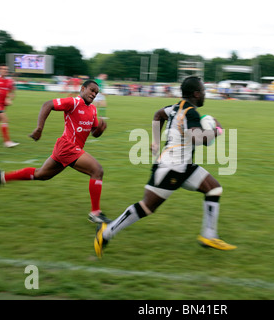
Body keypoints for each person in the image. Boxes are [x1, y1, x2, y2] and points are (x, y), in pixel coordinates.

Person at [94, 76, 236, 258]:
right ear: (196, 93)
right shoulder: (190, 112)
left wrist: (155, 141)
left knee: (214, 189)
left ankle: (209, 235)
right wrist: (217, 131)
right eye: (204, 92)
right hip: (172, 168)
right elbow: (198, 138)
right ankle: (106, 232)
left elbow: (158, 114)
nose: (205, 95)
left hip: (184, 166)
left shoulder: (175, 107)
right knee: (147, 207)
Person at [0, 80, 110, 224]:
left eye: (96, 92)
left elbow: (94, 133)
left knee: (41, 175)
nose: (94, 94)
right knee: (97, 171)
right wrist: (39, 128)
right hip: (68, 147)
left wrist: (100, 130)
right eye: (91, 90)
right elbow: (47, 104)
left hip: (67, 149)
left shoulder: (93, 109)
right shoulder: (74, 102)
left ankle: (1, 178)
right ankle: (95, 213)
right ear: (82, 89)